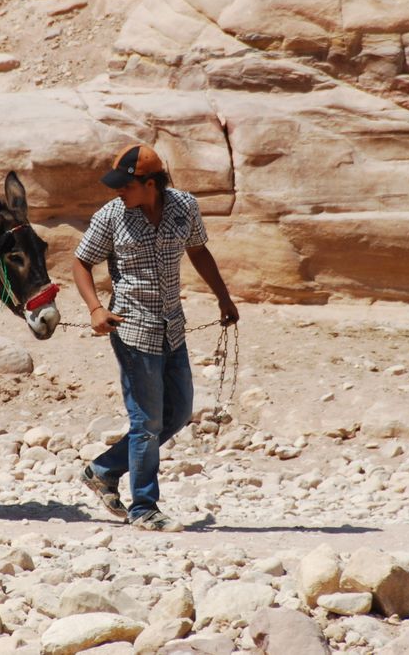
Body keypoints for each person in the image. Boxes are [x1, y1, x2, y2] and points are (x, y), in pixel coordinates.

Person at [72, 143, 239, 531]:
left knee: (178, 414)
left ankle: (102, 470)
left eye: (125, 186)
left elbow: (198, 251)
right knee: (146, 421)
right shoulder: (111, 216)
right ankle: (144, 507)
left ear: (150, 184)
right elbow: (81, 262)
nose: (118, 191)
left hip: (172, 328)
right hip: (131, 329)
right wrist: (96, 309)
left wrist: (223, 298)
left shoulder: (184, 207)